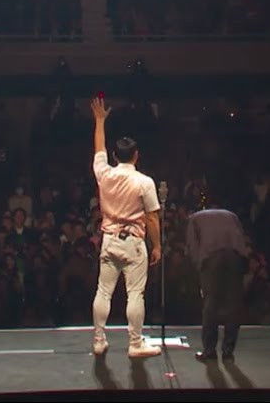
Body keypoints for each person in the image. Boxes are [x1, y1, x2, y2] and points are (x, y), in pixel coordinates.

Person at [88, 96, 162, 359]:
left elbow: (98, 149)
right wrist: (157, 246)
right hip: (133, 242)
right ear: (136, 156)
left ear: (114, 156)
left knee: (103, 291)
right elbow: (152, 218)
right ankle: (135, 343)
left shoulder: (105, 174)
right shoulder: (144, 182)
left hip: (109, 240)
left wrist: (99, 121)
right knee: (135, 294)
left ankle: (99, 340)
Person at [186, 190, 248, 362]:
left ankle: (209, 351)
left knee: (211, 304)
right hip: (235, 257)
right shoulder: (231, 215)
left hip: (212, 257)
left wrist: (199, 267)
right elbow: (241, 239)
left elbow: (192, 246)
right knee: (233, 305)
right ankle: (228, 352)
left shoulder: (195, 218)